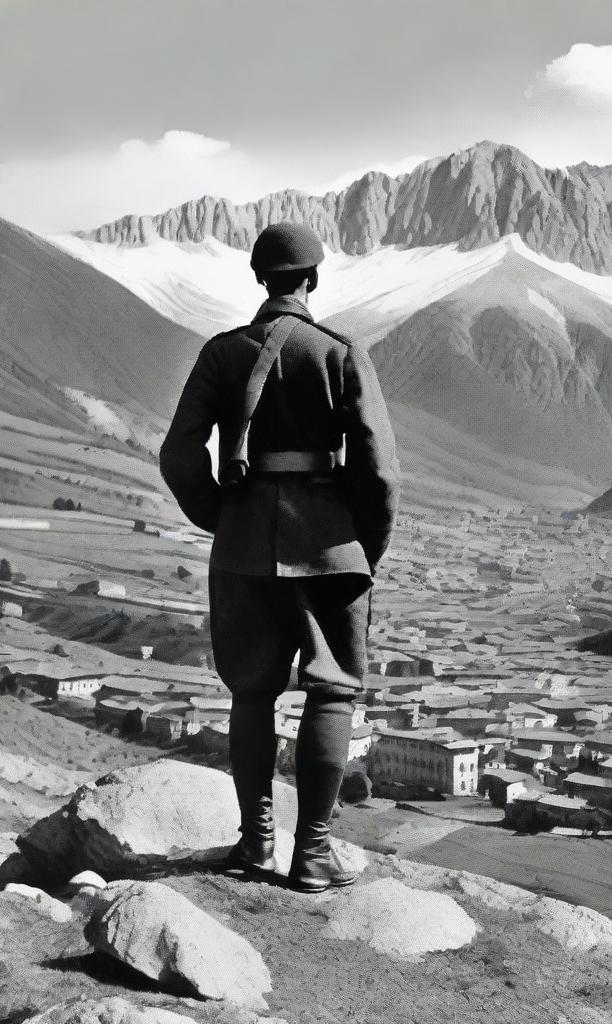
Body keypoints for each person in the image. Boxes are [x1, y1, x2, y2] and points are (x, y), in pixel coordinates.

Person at [159, 221, 400, 892]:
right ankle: (313, 856)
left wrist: (222, 516)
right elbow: (379, 472)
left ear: (260, 278)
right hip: (329, 547)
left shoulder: (221, 354)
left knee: (251, 694)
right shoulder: (340, 353)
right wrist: (362, 549)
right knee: (331, 692)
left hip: (242, 547)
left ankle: (255, 843)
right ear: (314, 278)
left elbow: (179, 454)